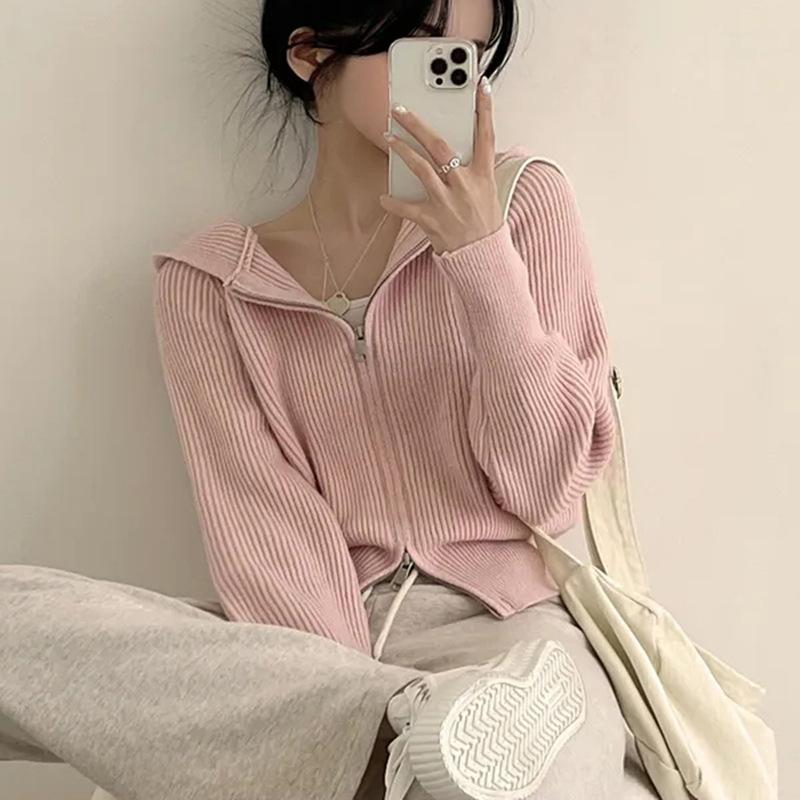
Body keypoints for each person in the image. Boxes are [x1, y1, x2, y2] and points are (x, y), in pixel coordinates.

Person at [0, 1, 662, 799]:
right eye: (424, 45)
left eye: (473, 53)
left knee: (554, 757)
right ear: (311, 53)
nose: (453, 78)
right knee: (15, 621)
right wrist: (345, 697)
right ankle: (402, 728)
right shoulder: (209, 287)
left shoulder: (525, 208)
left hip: (510, 645)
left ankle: (416, 745)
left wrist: (480, 257)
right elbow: (263, 527)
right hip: (303, 653)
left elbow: (549, 492)